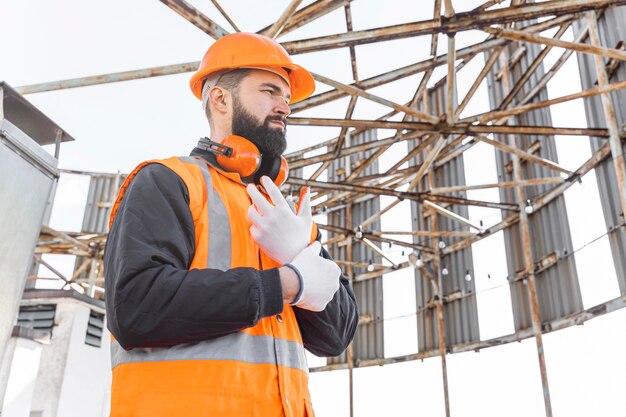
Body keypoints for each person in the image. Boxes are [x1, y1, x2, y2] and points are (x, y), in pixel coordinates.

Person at [103, 32, 359, 417]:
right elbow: (136, 308)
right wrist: (288, 283)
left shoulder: (283, 214)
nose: (284, 107)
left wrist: (300, 253)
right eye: (270, 91)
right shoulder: (168, 181)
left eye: (287, 98)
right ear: (221, 99)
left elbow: (335, 336)